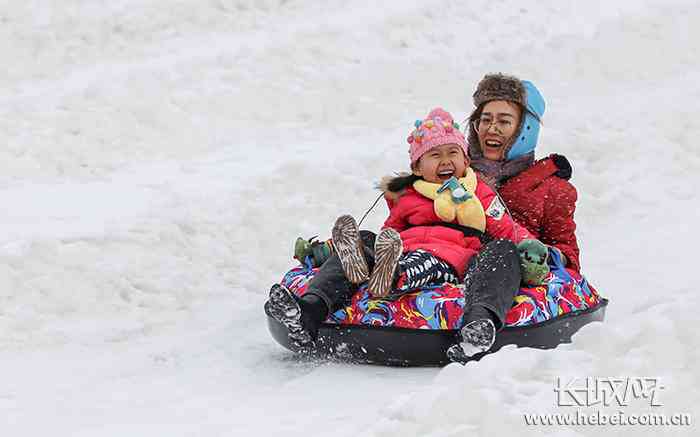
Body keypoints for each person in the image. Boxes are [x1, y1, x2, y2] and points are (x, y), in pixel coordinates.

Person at [268, 108, 544, 362]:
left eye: (452, 153)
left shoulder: (478, 193)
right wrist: (330, 251)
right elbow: (390, 233)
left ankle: (477, 321)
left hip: (452, 256)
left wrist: (537, 251)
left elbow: (509, 228)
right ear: (417, 168)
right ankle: (309, 312)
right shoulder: (407, 196)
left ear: (466, 159)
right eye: (435, 155)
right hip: (403, 248)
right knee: (365, 239)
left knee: (502, 249)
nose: (445, 161)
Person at [466, 73, 581, 272]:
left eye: (503, 122)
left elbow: (569, 259)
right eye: (485, 120)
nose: (491, 129)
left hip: (513, 286)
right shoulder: (457, 176)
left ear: (525, 130)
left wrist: (544, 256)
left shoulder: (552, 189)